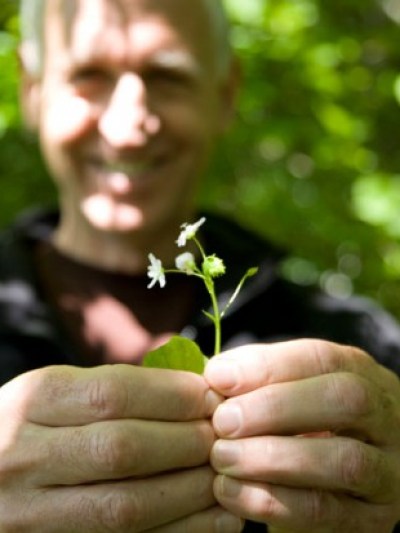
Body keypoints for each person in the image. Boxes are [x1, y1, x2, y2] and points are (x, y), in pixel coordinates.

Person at [0, 0, 398, 530]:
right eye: (88, 75)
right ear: (32, 90)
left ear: (226, 93)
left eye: (167, 76)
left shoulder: (356, 342)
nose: (127, 128)